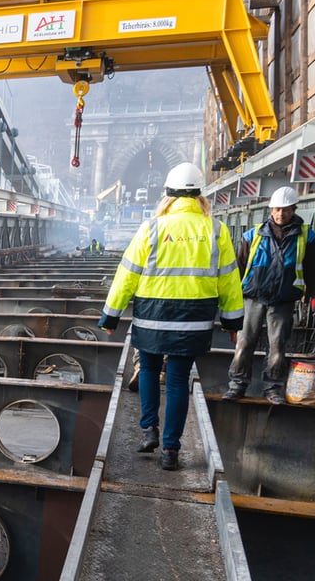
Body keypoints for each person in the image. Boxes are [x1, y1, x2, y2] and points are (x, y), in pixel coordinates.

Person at [99, 162, 244, 471]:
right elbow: (229, 279)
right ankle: (170, 450)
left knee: (149, 369)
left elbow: (127, 274)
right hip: (194, 320)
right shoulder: (215, 230)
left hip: (152, 315)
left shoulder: (152, 227)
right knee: (178, 381)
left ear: (167, 194)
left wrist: (111, 316)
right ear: (199, 196)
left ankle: (149, 428)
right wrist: (233, 322)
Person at [224, 186, 315, 405]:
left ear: (294, 210)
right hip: (253, 297)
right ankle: (237, 386)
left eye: (286, 210)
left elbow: (311, 268)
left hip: (283, 300)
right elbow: (239, 268)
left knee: (277, 347)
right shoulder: (253, 235)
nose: (281, 214)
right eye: (277, 209)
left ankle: (272, 389)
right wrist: (232, 301)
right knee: (244, 343)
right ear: (271, 210)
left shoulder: (305, 236)